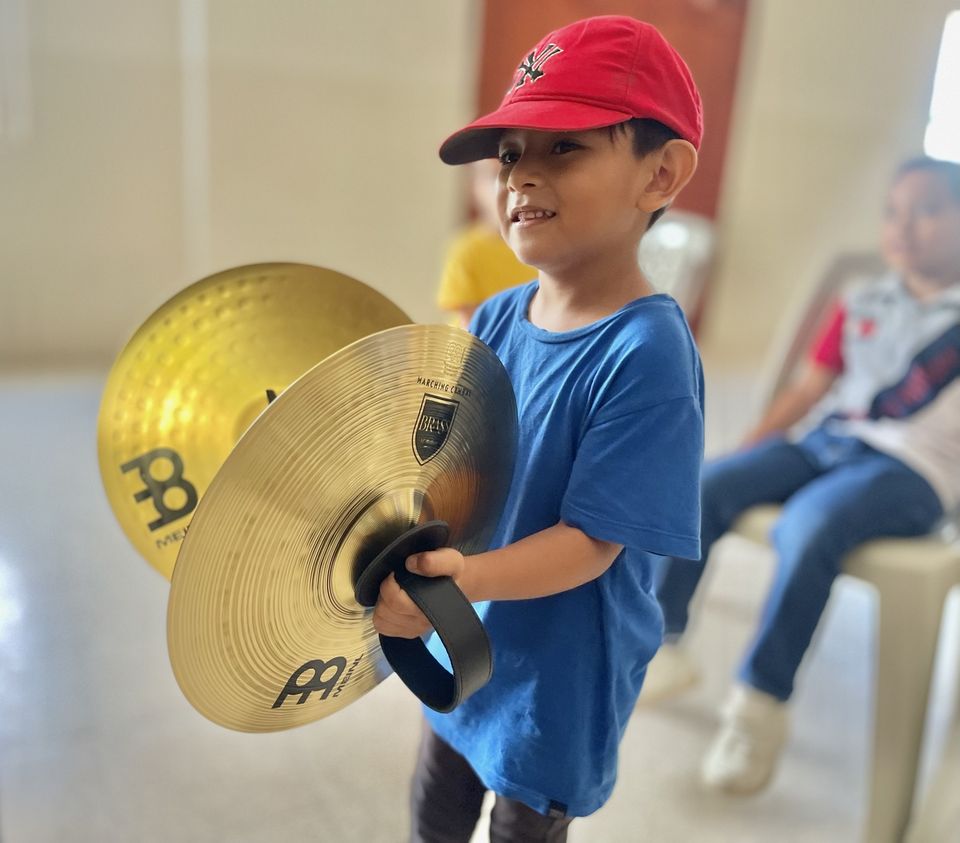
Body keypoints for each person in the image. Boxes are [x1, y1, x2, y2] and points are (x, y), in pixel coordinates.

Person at [371, 15, 705, 842]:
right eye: (511, 153)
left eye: (564, 148)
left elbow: (591, 543)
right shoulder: (493, 315)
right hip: (462, 638)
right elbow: (450, 458)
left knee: (522, 823)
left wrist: (459, 584)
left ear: (660, 174)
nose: (521, 174)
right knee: (434, 811)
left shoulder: (647, 353)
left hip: (557, 678)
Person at [641, 156, 960, 796]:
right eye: (893, 212)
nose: (905, 227)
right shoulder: (863, 301)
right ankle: (662, 642)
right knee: (704, 485)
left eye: (928, 211)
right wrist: (748, 453)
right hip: (830, 439)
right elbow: (811, 388)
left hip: (914, 467)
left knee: (811, 525)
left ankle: (759, 706)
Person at [436, 158, 536, 328]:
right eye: (493, 176)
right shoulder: (467, 249)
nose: (509, 186)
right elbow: (470, 325)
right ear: (474, 188)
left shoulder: (539, 246)